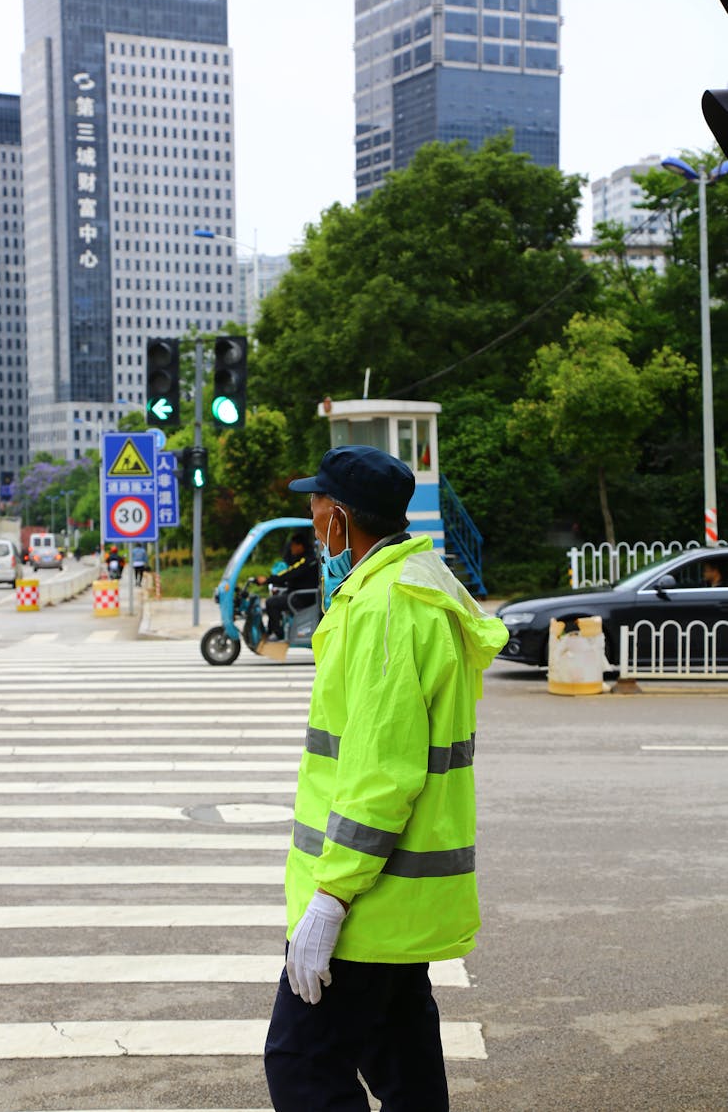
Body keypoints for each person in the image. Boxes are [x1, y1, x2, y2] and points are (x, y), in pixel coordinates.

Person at [264, 445, 509, 1112]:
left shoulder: (384, 609)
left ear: (340, 519)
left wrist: (331, 898)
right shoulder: (415, 584)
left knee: (302, 1064)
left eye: (317, 505)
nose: (312, 519)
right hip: (402, 899)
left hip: (369, 902)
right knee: (404, 1069)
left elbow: (381, 771)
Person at [256, 532, 318, 641]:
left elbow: (289, 573)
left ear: (300, 546)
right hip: (298, 593)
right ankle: (271, 631)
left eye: (293, 545)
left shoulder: (307, 560)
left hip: (302, 597)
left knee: (271, 603)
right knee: (275, 598)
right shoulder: (305, 558)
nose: (291, 548)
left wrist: (267, 580)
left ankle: (277, 634)